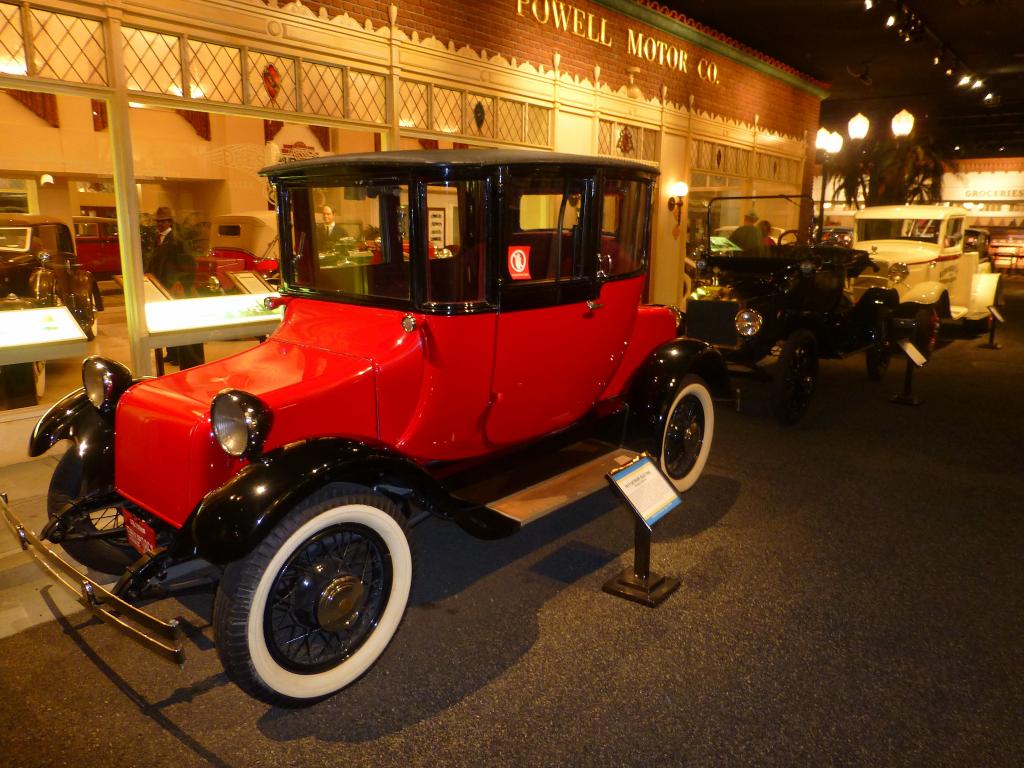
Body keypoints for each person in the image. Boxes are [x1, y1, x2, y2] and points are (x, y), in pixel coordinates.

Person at [150, 206, 204, 369]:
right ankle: (172, 352)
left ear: (169, 222)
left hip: (177, 289)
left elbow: (188, 264)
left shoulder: (176, 241)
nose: (159, 224)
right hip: (163, 287)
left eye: (162, 221)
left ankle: (183, 356)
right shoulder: (159, 239)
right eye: (158, 221)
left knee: (181, 323)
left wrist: (179, 281)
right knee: (169, 322)